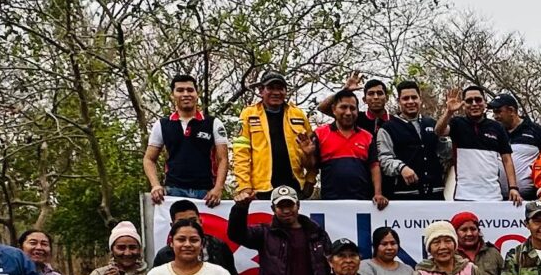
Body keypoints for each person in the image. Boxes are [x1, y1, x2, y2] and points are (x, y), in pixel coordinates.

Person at [228, 71, 316, 199]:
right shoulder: (248, 114)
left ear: (286, 91)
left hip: (295, 187)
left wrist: (310, 180)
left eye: (280, 88)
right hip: (261, 189)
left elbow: (313, 151)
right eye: (270, 88)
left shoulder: (298, 114)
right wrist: (244, 187)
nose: (276, 92)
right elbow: (241, 154)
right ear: (261, 91)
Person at [144, 72, 228, 205]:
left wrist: (218, 188)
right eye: (180, 90)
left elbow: (223, 159)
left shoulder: (213, 123)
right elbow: (149, 159)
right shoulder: (162, 124)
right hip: (173, 191)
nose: (185, 94)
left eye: (190, 90)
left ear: (197, 94)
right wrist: (155, 185)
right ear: (173, 95)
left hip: (206, 193)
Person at [443, 84, 518, 202]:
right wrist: (448, 112)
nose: (474, 104)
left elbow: (507, 159)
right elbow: (439, 131)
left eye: (478, 100)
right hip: (464, 196)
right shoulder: (456, 123)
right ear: (463, 104)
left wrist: (513, 187)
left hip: (493, 197)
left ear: (485, 103)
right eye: (469, 101)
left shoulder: (497, 127)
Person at [313, 89, 386, 205]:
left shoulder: (367, 137)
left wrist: (378, 193)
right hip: (330, 203)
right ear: (333, 110)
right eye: (343, 107)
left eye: (352, 108)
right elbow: (311, 165)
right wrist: (307, 154)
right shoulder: (320, 134)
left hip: (363, 202)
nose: (348, 112)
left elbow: (374, 166)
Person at [374, 79, 441, 200]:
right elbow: (384, 160)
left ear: (420, 99)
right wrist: (401, 168)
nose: (410, 101)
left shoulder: (432, 123)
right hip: (403, 196)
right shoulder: (387, 128)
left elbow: (445, 154)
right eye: (405, 98)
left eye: (414, 97)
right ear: (399, 101)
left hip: (435, 194)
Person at [491, 93, 541, 200]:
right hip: (497, 198)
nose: (495, 116)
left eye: (498, 111)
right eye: (494, 112)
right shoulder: (493, 132)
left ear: (511, 111)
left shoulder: (536, 131)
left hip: (530, 199)